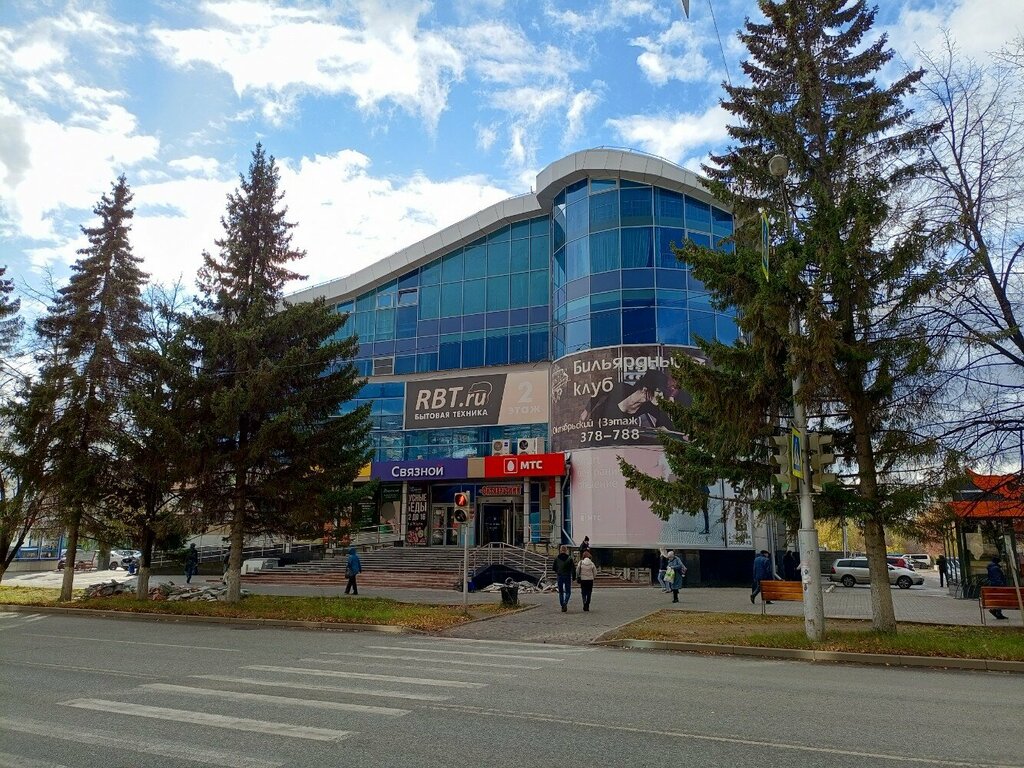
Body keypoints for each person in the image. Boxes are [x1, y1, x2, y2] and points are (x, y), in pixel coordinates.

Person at [552, 545, 575, 612]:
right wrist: (574, 577)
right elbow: (573, 569)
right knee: (568, 591)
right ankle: (565, 602)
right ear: (566, 550)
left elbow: (553, 568)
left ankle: (562, 605)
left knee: (561, 592)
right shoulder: (570, 558)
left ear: (560, 550)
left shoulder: (557, 558)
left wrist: (558, 571)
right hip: (567, 576)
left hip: (560, 576)